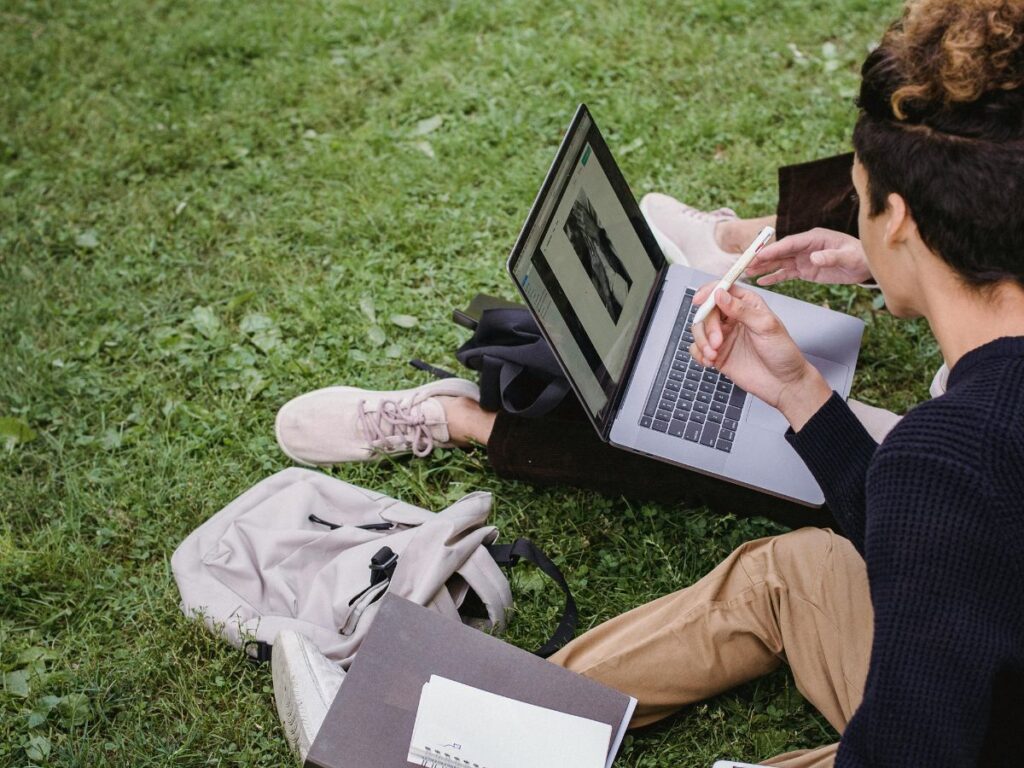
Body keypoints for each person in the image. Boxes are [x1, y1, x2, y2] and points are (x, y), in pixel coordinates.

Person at [271, 1, 1024, 764]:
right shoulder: (959, 461)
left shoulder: (948, 461)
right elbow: (952, 540)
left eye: (859, 199)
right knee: (795, 572)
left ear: (896, 220)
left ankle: (437, 751)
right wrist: (801, 396)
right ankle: (470, 724)